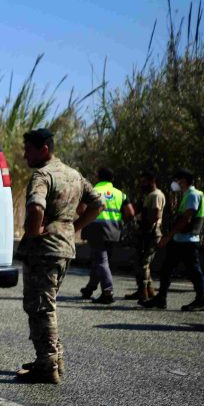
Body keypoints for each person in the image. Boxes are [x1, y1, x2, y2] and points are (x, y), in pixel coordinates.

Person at [16, 129, 103, 384]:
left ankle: (47, 365)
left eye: (28, 149)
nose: (24, 155)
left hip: (44, 249)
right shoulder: (74, 175)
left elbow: (35, 207)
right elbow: (97, 204)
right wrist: (74, 228)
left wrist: (34, 232)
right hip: (64, 247)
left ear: (44, 149)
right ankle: (55, 359)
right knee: (47, 304)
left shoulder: (43, 175)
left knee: (41, 307)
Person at [140, 169, 204, 310]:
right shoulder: (188, 194)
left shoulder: (192, 195)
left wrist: (168, 236)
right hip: (180, 239)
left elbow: (186, 218)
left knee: (194, 271)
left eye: (177, 180)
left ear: (183, 180)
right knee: (166, 269)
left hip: (187, 240)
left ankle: (201, 299)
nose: (175, 183)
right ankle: (161, 298)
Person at [79, 167, 133, 304]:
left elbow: (80, 210)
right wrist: (120, 224)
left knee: (101, 261)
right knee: (101, 260)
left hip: (96, 230)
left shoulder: (93, 191)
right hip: (114, 231)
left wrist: (87, 219)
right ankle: (90, 288)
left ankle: (107, 292)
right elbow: (131, 213)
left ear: (98, 177)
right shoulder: (120, 194)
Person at [124, 172, 165, 301]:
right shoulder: (149, 195)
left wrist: (145, 226)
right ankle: (147, 290)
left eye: (144, 181)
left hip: (151, 233)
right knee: (139, 261)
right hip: (145, 232)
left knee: (144, 263)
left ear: (152, 180)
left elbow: (155, 215)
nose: (142, 184)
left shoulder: (156, 195)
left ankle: (144, 292)